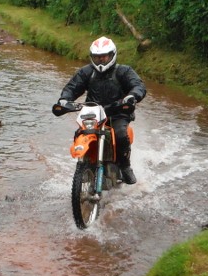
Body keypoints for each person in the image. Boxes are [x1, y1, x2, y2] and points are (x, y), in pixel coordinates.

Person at [57, 36, 147, 184]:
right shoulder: (87, 72)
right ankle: (85, 163)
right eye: (97, 57)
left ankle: (125, 167)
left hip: (118, 113)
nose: (101, 60)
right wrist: (64, 99)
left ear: (112, 55)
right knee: (80, 133)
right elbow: (72, 87)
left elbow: (138, 85)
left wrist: (132, 96)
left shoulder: (123, 71)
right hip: (93, 114)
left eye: (104, 57)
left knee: (120, 135)